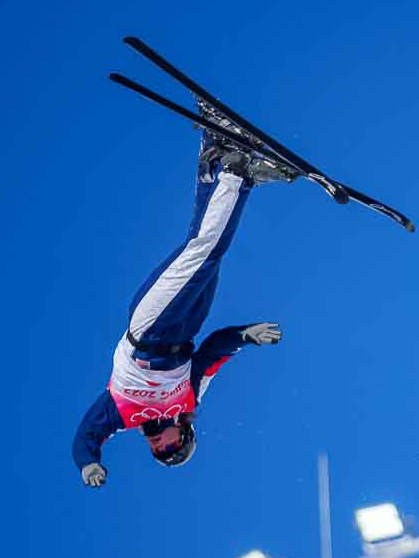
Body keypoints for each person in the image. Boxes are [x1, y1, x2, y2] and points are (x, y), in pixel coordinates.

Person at [73, 135, 297, 487]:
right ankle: (214, 156)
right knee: (206, 250)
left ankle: (239, 173)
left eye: (157, 453)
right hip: (188, 328)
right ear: (184, 433)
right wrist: (245, 336)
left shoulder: (120, 413)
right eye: (170, 449)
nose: (159, 447)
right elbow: (212, 353)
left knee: (203, 251)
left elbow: (87, 435)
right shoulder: (188, 399)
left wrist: (89, 463)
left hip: (149, 331)